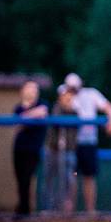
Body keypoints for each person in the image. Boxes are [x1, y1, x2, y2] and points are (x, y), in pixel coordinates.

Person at [63, 73, 111, 215]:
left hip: (88, 142)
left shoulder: (91, 94)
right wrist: (68, 93)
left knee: (89, 176)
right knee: (71, 177)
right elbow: (65, 105)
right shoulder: (65, 94)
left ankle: (90, 211)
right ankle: (68, 213)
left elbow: (109, 108)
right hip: (71, 144)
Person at [12, 80, 49, 217]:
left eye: (35, 88)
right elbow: (17, 123)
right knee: (20, 179)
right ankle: (23, 208)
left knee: (27, 178)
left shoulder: (42, 103)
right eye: (29, 88)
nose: (33, 91)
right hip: (19, 148)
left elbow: (42, 112)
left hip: (34, 149)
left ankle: (25, 210)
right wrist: (29, 116)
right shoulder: (18, 107)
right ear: (23, 91)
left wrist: (25, 118)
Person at [44, 84, 79, 213]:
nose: (68, 97)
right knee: (49, 180)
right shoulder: (56, 108)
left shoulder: (75, 111)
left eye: (70, 95)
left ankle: (67, 209)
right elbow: (55, 120)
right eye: (65, 95)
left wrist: (70, 107)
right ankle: (48, 210)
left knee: (69, 179)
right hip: (53, 150)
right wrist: (64, 106)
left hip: (69, 151)